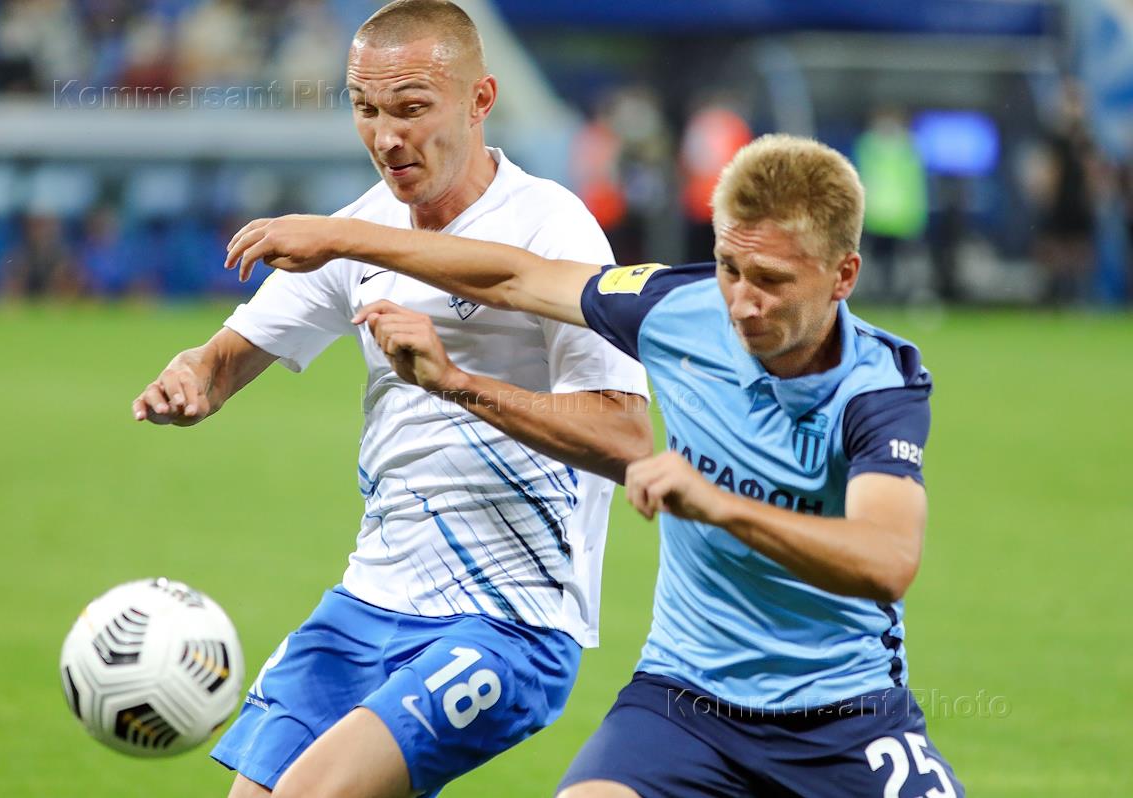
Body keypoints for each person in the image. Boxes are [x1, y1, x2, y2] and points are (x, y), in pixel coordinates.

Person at [227, 133, 965, 797]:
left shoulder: (878, 389)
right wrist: (345, 239)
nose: (741, 303)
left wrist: (716, 503)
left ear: (843, 275)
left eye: (770, 280)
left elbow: (886, 560)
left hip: (845, 718)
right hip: (684, 705)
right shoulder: (677, 308)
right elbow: (515, 277)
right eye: (728, 268)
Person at [132, 2, 651, 797]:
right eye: (365, 109)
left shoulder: (553, 229)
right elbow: (225, 360)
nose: (385, 137)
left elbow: (627, 438)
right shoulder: (355, 230)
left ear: (480, 100)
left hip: (509, 618)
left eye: (410, 108)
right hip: (366, 602)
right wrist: (193, 376)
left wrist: (458, 383)